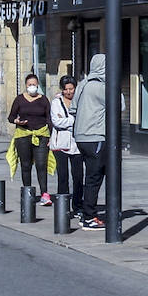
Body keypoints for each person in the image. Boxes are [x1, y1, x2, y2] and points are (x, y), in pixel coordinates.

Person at [73, 54, 108, 230]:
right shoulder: (101, 87)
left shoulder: (82, 84)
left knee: (91, 175)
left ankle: (86, 212)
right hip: (96, 136)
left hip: (80, 137)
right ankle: (89, 216)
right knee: (94, 177)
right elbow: (120, 104)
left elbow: (73, 108)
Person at [7, 74, 54, 206]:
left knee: (41, 164)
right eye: (30, 85)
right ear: (26, 86)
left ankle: (45, 194)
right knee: (26, 165)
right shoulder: (19, 99)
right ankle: (28, 192)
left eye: (34, 84)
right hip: (23, 135)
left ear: (38, 85)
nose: (32, 87)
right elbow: (11, 117)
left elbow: (49, 118)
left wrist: (52, 136)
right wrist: (17, 121)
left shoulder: (44, 100)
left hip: (42, 134)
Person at [49, 75, 83, 215]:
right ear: (62, 90)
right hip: (60, 144)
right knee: (62, 176)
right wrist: (73, 121)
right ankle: (63, 206)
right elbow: (57, 122)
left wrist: (67, 120)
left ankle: (78, 205)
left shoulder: (80, 101)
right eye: (66, 89)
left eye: (71, 88)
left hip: (77, 144)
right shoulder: (56, 102)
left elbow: (83, 118)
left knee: (78, 176)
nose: (69, 92)